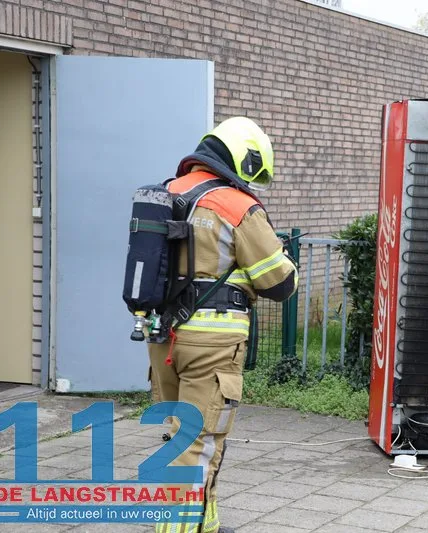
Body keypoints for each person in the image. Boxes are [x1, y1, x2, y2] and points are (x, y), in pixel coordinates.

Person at [148, 117, 298, 533]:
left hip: (163, 338)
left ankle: (205, 523)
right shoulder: (234, 205)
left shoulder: (165, 193)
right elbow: (280, 283)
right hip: (212, 343)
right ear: (244, 159)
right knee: (198, 439)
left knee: (189, 434)